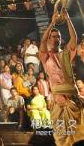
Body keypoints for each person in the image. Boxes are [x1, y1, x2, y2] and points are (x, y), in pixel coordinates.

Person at [39, 10, 84, 145]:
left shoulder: (65, 54)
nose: (55, 39)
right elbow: (42, 41)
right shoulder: (45, 56)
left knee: (78, 134)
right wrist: (52, 23)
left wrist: (68, 19)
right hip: (58, 99)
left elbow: (74, 38)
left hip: (72, 97)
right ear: (49, 39)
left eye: (58, 36)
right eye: (53, 36)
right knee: (61, 135)